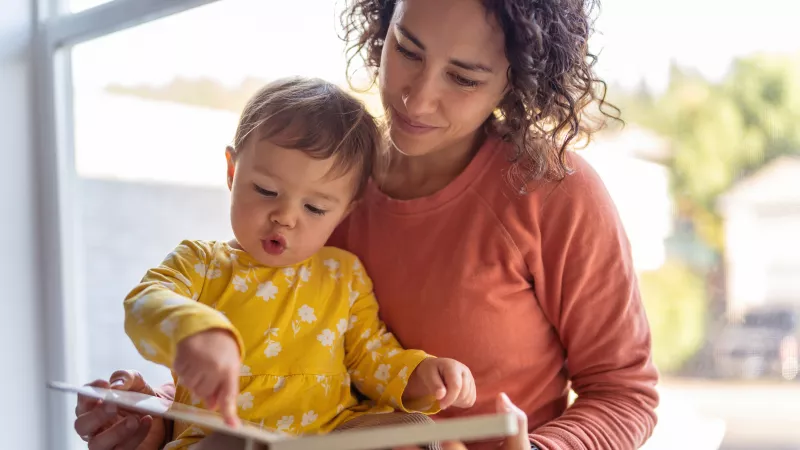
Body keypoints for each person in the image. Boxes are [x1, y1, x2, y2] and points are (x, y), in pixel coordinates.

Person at [73, 0, 660, 449]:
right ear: (383, 23)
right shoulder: (322, 185)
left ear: (516, 78)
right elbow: (275, 347)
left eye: (463, 77)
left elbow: (624, 393)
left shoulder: (554, 192)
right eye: (406, 49)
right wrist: (161, 416)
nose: (416, 98)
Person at [110, 76, 477, 449]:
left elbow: (372, 356)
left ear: (344, 212)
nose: (285, 217)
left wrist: (421, 374)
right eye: (266, 191)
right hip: (224, 434)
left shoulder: (343, 275)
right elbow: (143, 301)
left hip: (330, 435)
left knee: (419, 433)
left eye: (315, 208)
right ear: (232, 172)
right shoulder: (202, 263)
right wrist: (194, 331)